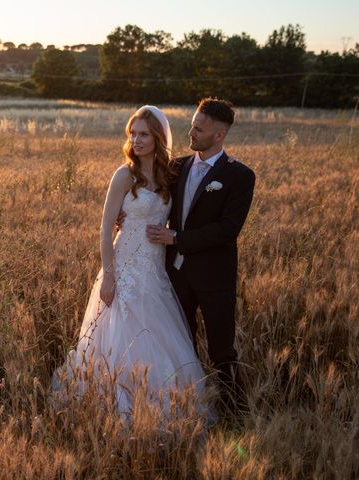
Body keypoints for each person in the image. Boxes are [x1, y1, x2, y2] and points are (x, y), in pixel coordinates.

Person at [52, 105, 209, 420]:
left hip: (155, 270)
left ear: (158, 137)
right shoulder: (124, 174)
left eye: (144, 134)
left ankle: (160, 400)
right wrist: (109, 276)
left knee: (157, 334)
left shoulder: (170, 176)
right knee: (118, 335)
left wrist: (169, 234)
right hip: (123, 267)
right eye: (132, 134)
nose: (136, 140)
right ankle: (115, 400)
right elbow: (105, 227)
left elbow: (179, 215)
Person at [146, 98, 255, 415]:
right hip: (175, 274)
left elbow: (227, 230)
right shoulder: (177, 167)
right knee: (181, 343)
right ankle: (188, 405)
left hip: (215, 277)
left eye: (199, 128)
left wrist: (177, 238)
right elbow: (155, 202)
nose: (190, 131)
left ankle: (235, 411)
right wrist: (126, 217)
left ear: (219, 135)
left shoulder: (239, 176)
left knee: (222, 348)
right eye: (192, 124)